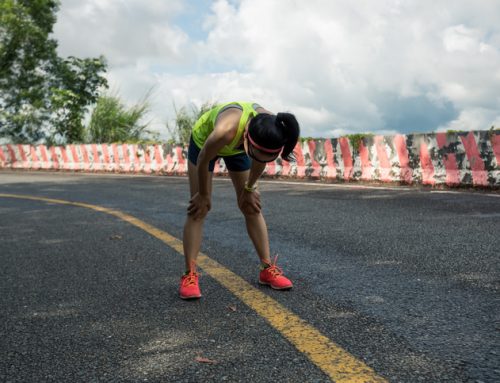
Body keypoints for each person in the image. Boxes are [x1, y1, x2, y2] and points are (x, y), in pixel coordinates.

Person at [179, 101, 300, 299]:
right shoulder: (225, 130)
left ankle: (266, 268)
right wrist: (203, 195)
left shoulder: (272, 128)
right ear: (246, 138)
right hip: (204, 145)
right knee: (198, 209)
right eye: (255, 154)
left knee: (251, 206)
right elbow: (203, 159)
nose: (261, 159)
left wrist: (249, 188)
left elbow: (260, 160)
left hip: (238, 148)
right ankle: (189, 275)